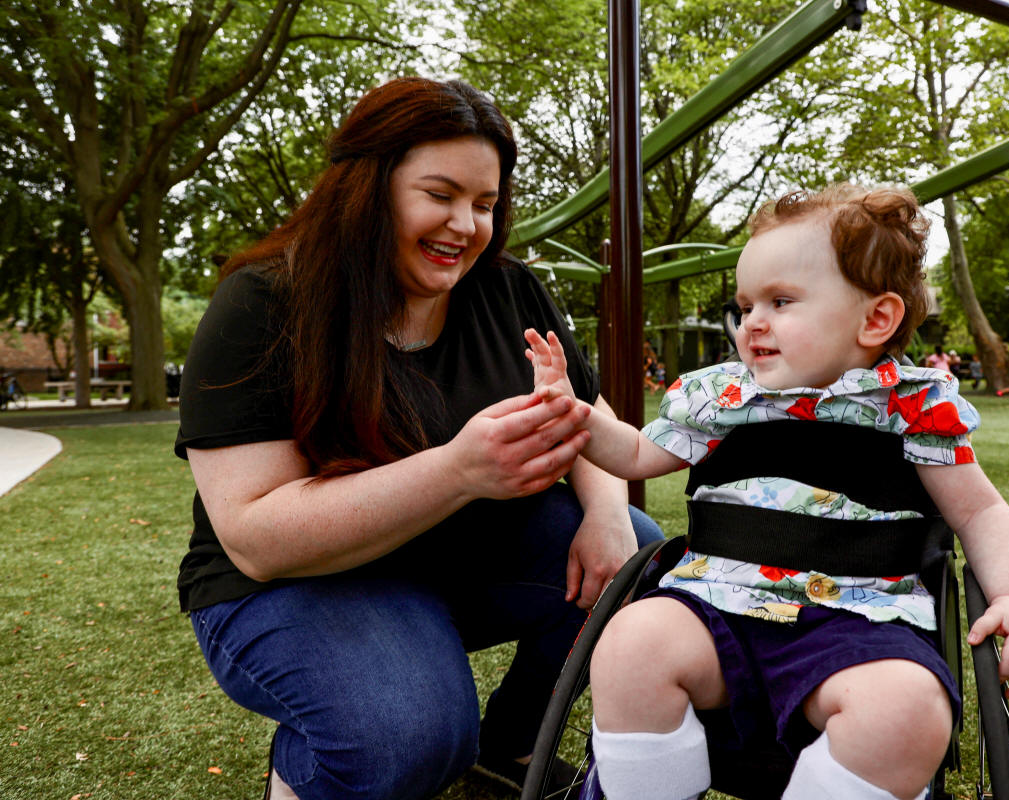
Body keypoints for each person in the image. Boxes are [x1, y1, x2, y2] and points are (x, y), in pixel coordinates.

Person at [175, 77, 662, 800]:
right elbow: (255, 538)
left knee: (638, 560)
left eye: (485, 204)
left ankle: (512, 749)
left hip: (453, 555)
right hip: (296, 582)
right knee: (410, 734)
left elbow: (586, 412)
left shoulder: (507, 289)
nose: (465, 225)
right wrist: (457, 471)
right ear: (366, 188)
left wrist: (607, 513)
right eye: (440, 194)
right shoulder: (264, 302)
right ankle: (301, 779)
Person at [525, 183, 1009, 800]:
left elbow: (981, 512)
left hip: (860, 620)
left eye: (780, 301)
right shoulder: (725, 396)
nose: (753, 322)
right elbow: (637, 454)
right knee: (629, 643)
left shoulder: (912, 409)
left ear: (876, 319)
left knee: (908, 707)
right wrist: (577, 416)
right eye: (745, 306)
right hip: (714, 603)